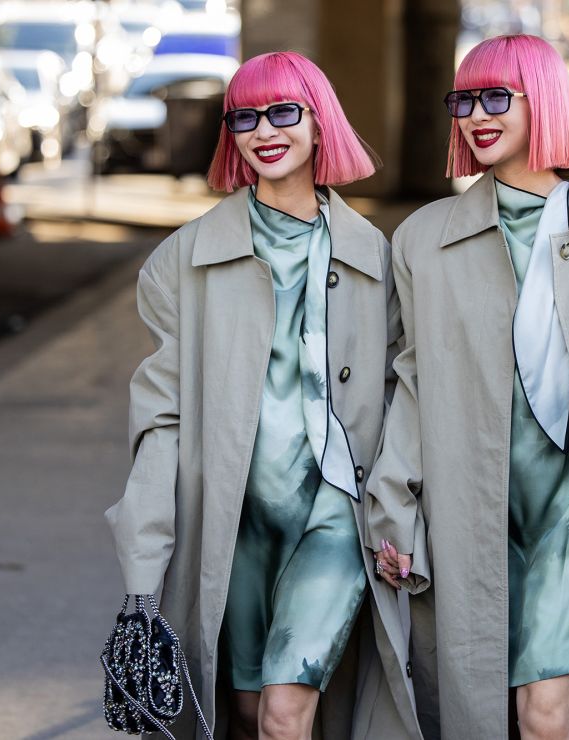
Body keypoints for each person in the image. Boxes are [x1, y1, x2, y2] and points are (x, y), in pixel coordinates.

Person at [367, 34, 569, 740]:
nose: (476, 116)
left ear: (543, 101)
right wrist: (392, 500)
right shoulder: (423, 240)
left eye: (497, 98)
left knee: (544, 718)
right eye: (464, 99)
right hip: (470, 508)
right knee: (480, 715)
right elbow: (413, 378)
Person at [105, 51, 421, 740]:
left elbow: (408, 395)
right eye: (244, 116)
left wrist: (397, 508)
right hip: (234, 518)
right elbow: (161, 418)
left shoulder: (376, 258)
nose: (264, 130)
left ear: (318, 124)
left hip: (338, 511)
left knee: (284, 710)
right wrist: (143, 553)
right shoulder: (181, 263)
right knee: (243, 715)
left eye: (284, 112)